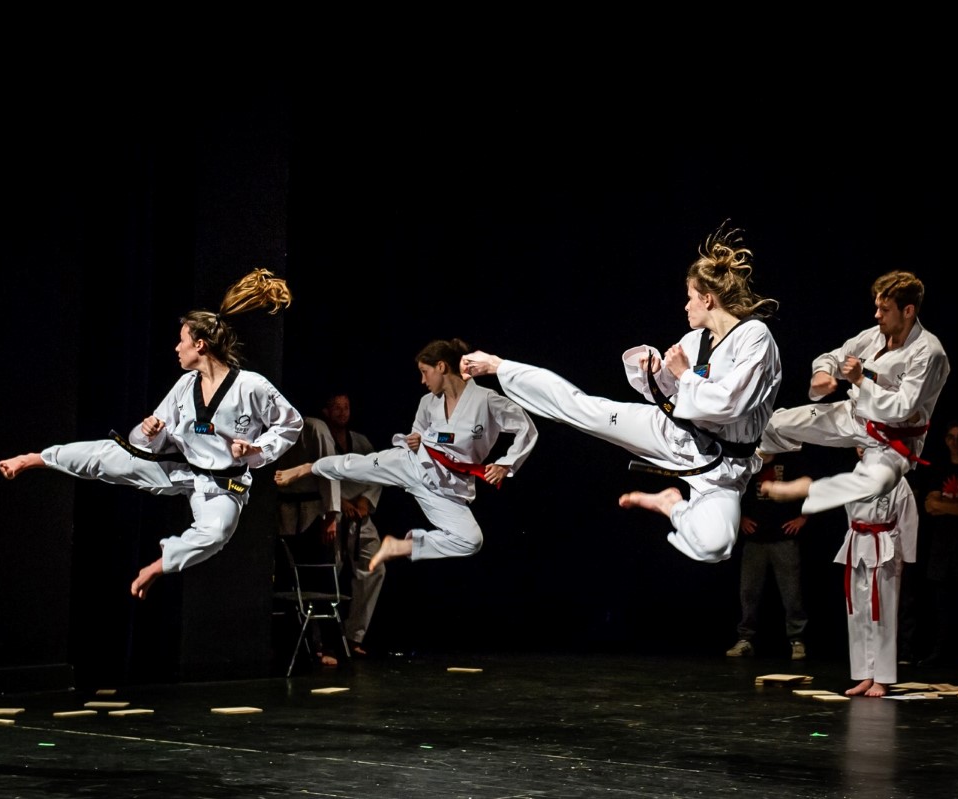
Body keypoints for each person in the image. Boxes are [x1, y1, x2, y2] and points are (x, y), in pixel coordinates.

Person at [461, 223, 782, 564]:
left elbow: (731, 403)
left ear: (707, 298)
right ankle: (499, 366)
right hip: (671, 433)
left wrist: (683, 374)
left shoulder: (754, 337)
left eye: (690, 297)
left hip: (722, 467)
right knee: (582, 408)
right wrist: (655, 373)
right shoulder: (693, 342)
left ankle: (670, 504)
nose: (686, 306)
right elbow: (671, 397)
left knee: (716, 547)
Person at [0, 269, 303, 599]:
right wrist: (150, 432)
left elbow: (291, 424)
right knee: (108, 456)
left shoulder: (251, 386)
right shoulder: (185, 385)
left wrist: (257, 449)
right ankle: (37, 458)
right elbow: (144, 441)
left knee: (216, 533)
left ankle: (158, 566)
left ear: (200, 345)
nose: (177, 347)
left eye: (182, 341)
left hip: (222, 484)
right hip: (179, 466)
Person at [308, 339, 538, 571]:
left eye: (424, 372)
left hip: (446, 487)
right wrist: (414, 441)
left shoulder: (486, 400)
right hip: (414, 465)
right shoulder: (428, 402)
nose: (422, 380)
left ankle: (402, 546)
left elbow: (526, 428)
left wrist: (505, 464)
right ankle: (306, 468)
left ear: (441, 366)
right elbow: (416, 434)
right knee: (358, 466)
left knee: (471, 540)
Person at [757, 271, 949, 516]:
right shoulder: (874, 336)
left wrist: (859, 379)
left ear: (908, 311)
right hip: (854, 415)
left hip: (895, 437)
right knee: (777, 423)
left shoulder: (929, 353)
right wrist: (822, 375)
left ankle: (809, 489)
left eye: (885, 309)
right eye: (877, 307)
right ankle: (760, 455)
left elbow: (903, 408)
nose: (877, 315)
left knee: (877, 484)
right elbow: (833, 357)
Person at [277, 392, 386, 657]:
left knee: (375, 569)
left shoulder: (360, 441)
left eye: (346, 407)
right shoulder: (313, 431)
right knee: (326, 577)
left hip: (359, 515)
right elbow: (324, 472)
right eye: (336, 407)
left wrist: (365, 502)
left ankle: (354, 635)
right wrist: (337, 506)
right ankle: (321, 642)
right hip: (329, 513)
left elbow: (378, 471)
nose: (342, 412)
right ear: (325, 411)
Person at [838, 448, 919, 697]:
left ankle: (882, 678)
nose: (863, 448)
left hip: (884, 545)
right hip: (857, 543)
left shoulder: (897, 479)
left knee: (882, 613)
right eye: (860, 444)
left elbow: (908, 518)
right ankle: (865, 674)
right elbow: (849, 513)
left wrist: (905, 556)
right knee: (858, 613)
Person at [271, 411, 342, 667]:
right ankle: (298, 645)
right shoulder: (273, 428)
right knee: (288, 579)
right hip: (284, 509)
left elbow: (329, 467)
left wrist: (331, 515)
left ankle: (329, 643)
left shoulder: (314, 428)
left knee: (320, 578)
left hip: (314, 511)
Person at [725, 451, 810, 661]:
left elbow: (810, 489)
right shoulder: (749, 464)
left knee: (791, 593)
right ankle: (745, 639)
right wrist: (740, 518)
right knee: (748, 592)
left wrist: (803, 518)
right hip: (756, 539)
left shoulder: (789, 462)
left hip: (783, 538)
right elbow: (733, 492)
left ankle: (797, 639)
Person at [914, 420, 958, 669]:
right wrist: (956, 507)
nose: (956, 442)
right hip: (941, 543)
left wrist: (947, 506)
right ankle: (939, 651)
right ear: (946, 440)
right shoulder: (938, 468)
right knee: (941, 602)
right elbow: (930, 506)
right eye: (951, 437)